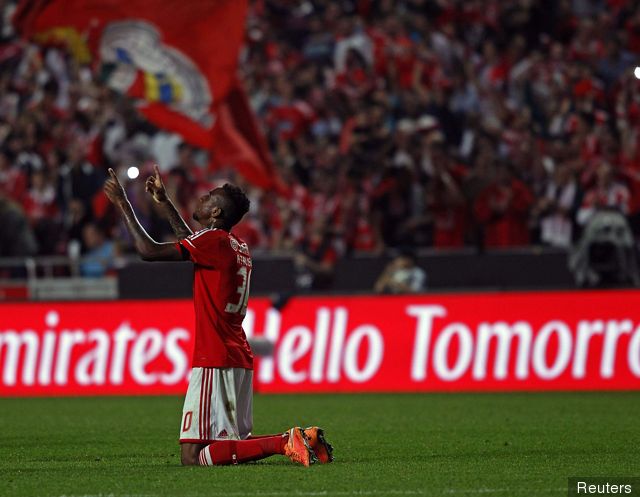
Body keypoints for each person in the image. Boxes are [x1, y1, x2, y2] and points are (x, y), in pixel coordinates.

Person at [103, 166, 333, 467]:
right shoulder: (234, 245)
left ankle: (285, 441)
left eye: (209, 197)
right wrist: (165, 202)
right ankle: (306, 439)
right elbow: (192, 240)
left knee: (192, 457)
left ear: (215, 213)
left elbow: (148, 250)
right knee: (227, 443)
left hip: (214, 356)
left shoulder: (214, 243)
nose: (201, 198)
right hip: (236, 353)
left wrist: (123, 203)